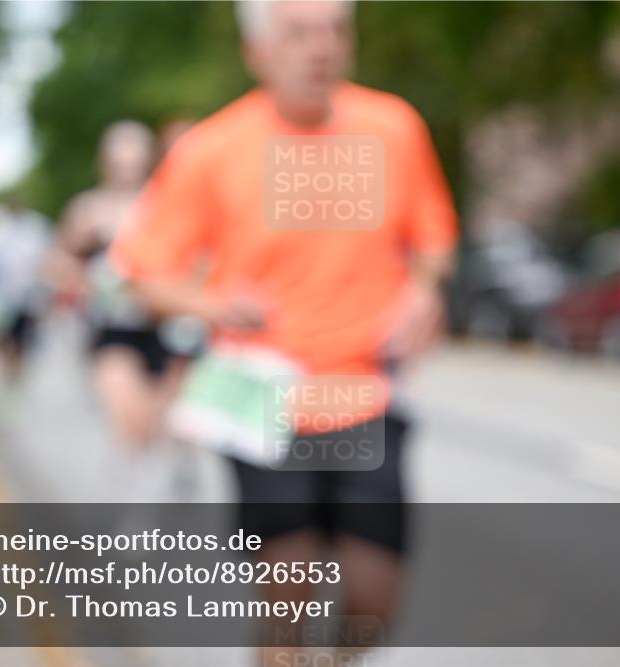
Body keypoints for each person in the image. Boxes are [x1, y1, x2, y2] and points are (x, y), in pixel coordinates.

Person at [111, 0, 458, 660]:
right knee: (288, 594)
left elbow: (434, 236)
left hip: (365, 393)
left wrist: (424, 289)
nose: (321, 48)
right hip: (264, 396)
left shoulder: (394, 127)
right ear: (258, 53)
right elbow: (142, 274)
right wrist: (209, 306)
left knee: (372, 598)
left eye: (335, 30)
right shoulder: (210, 149)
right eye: (300, 33)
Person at [50, 121, 187, 447]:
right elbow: (58, 263)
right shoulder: (88, 208)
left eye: (135, 154)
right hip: (114, 327)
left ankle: (166, 482)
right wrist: (79, 280)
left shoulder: (167, 205)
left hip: (166, 327)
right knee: (129, 419)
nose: (128, 164)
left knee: (160, 428)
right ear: (106, 160)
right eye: (120, 156)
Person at [0, 200, 52, 382]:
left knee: (20, 341)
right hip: (2, 297)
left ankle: (13, 374)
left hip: (25, 297)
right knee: (0, 337)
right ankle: (7, 371)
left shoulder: (35, 227)